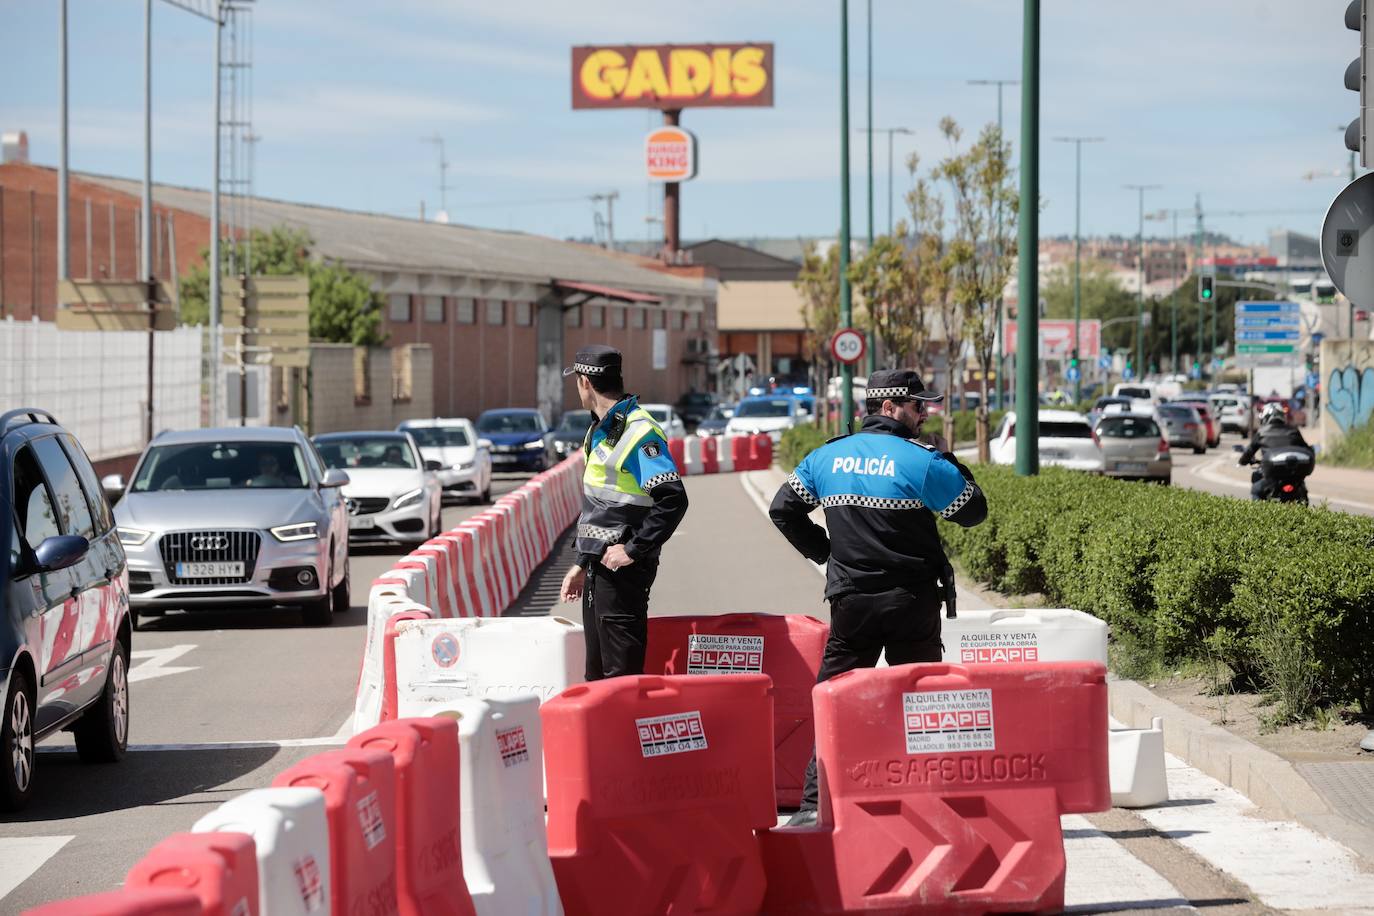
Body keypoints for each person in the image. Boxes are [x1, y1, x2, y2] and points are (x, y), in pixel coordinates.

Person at [768, 368, 989, 825]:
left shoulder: (828, 457)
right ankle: (934, 804)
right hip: (910, 603)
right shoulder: (921, 460)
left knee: (833, 702)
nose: (924, 414)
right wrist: (949, 462)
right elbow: (973, 512)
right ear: (889, 408)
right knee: (924, 706)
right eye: (917, 406)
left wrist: (826, 553)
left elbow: (782, 510)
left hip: (851, 604)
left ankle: (813, 806)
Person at [558, 344, 689, 680]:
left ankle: (624, 733)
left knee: (621, 675)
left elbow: (672, 498)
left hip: (623, 571)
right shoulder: (601, 429)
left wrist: (633, 549)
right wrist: (581, 563)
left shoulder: (637, 431)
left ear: (585, 382)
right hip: (598, 568)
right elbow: (601, 508)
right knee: (598, 673)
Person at [1239, 401, 1312, 499]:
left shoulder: (1262, 433)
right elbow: (1306, 448)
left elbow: (1249, 451)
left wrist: (1242, 461)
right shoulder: (1293, 430)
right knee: (1301, 486)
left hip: (1273, 477)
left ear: (1265, 418)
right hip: (1294, 475)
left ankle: (1257, 514)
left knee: (1256, 490)